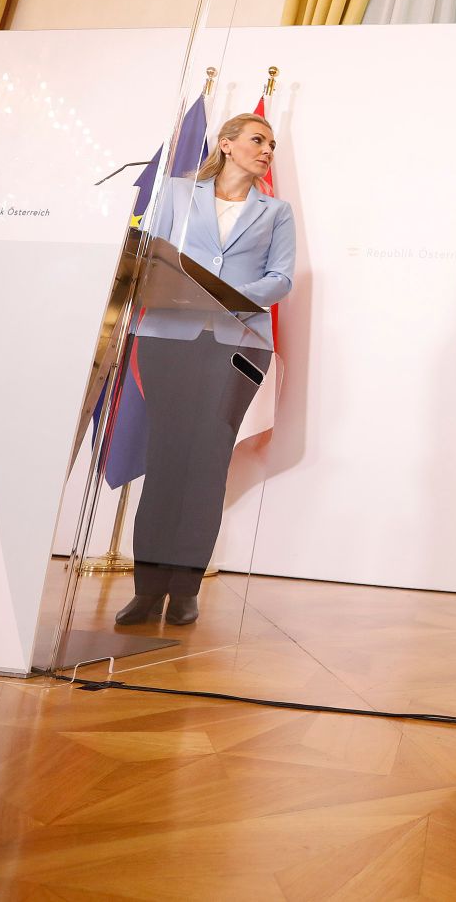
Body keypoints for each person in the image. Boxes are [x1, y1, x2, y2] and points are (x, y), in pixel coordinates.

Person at [114, 112, 296, 628]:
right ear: (227, 144)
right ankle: (147, 591)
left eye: (272, 144)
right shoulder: (174, 194)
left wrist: (228, 298)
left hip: (238, 347)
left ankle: (186, 590)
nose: (266, 150)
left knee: (208, 465)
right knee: (166, 460)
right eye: (258, 140)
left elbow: (280, 278)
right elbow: (148, 255)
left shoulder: (276, 212)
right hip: (168, 339)